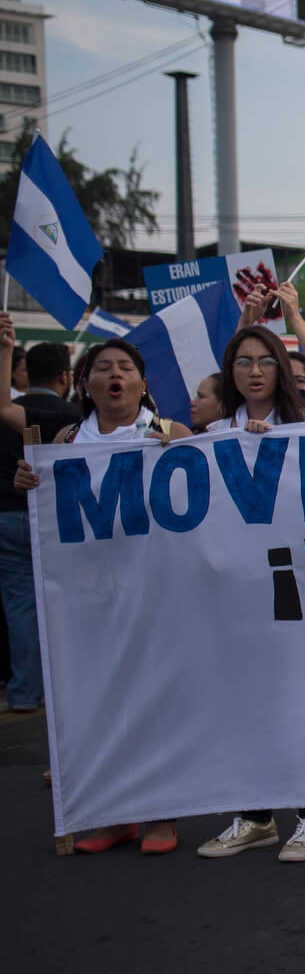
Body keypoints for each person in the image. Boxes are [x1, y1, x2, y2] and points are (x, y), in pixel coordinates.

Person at [10, 338, 190, 854]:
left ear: (141, 383)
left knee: (152, 704)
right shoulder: (67, 438)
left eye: (126, 367)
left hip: (153, 592)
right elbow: (50, 507)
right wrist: (31, 480)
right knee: (102, 703)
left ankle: (161, 815)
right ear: (84, 383)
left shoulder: (168, 434)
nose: (115, 375)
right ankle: (114, 815)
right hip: (89, 595)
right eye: (103, 368)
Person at [195, 310, 305, 862]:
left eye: (266, 361)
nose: (254, 371)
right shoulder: (211, 437)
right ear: (229, 371)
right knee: (247, 705)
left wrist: (297, 317)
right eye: (243, 361)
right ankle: (254, 814)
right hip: (237, 597)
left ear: (282, 369)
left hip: (300, 590)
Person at [0, 318, 79, 716]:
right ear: (67, 376)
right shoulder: (77, 418)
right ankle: (66, 688)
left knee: (20, 608)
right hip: (55, 523)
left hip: (6, 520)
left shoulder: (15, 413)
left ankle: (26, 692)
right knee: (66, 604)